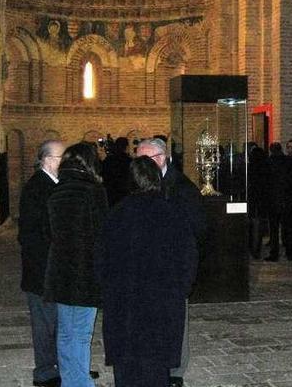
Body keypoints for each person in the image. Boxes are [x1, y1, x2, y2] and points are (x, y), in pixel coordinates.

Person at [99, 156, 198, 386]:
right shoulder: (173, 213)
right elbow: (189, 258)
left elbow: (100, 261)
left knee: (126, 369)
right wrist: (180, 290)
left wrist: (109, 292)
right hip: (161, 304)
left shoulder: (115, 215)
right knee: (156, 368)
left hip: (124, 305)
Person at [135, 137, 205, 387]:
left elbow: (196, 231)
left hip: (172, 269)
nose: (139, 165)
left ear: (161, 158)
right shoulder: (141, 184)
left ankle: (175, 370)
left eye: (144, 159)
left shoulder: (182, 189)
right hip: (147, 268)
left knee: (176, 323)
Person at [44, 142, 108, 386]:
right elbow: (101, 234)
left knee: (66, 333)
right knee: (81, 333)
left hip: (60, 271)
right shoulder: (93, 191)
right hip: (84, 272)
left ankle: (70, 380)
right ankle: (80, 383)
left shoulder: (57, 191)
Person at [18, 140, 64, 387]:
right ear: (47, 160)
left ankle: (61, 365)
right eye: (61, 158)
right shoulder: (38, 187)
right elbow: (34, 234)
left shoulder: (52, 185)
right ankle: (45, 372)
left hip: (51, 268)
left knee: (56, 321)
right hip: (42, 270)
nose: (65, 163)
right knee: (44, 324)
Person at [264, 142, 292, 261]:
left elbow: (265, 183)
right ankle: (290, 252)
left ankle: (274, 253)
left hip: (273, 201)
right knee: (288, 228)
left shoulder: (268, 163)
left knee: (274, 230)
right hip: (286, 200)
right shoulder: (288, 162)